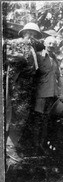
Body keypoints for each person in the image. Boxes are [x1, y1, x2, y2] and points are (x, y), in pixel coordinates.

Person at [5, 22, 44, 150]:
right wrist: (21, 60)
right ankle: (11, 146)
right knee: (16, 114)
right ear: (24, 33)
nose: (31, 36)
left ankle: (19, 145)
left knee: (25, 116)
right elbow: (9, 56)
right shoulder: (16, 43)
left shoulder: (33, 48)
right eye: (29, 33)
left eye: (34, 34)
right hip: (18, 85)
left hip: (29, 87)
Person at [33, 36, 62, 154]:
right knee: (38, 120)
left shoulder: (55, 59)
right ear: (45, 44)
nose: (51, 45)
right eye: (49, 43)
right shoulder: (38, 56)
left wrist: (59, 92)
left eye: (53, 44)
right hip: (41, 93)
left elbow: (57, 76)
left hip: (52, 94)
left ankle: (42, 145)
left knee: (46, 120)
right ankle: (35, 146)